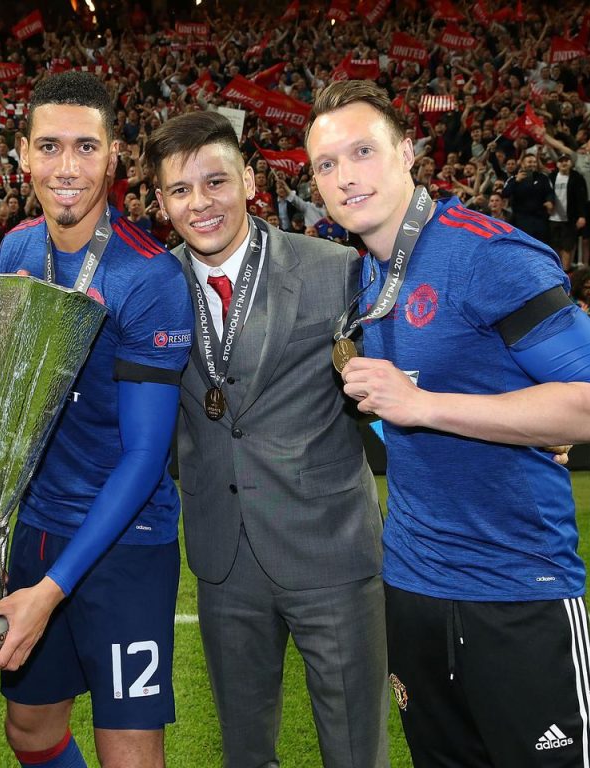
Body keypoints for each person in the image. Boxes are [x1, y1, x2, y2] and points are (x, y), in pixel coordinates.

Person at [306, 80, 590, 768]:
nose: (346, 177)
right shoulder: (366, 280)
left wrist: (426, 405)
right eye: (326, 165)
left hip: (518, 585)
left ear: (408, 152)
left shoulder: (487, 252)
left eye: (363, 152)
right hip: (412, 587)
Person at [145, 109, 387, 768]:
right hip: (224, 559)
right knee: (246, 752)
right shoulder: (151, 287)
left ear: (249, 180)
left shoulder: (338, 269)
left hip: (330, 549)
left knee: (355, 751)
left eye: (215, 182)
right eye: (180, 190)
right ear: (161, 202)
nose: (201, 203)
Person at [0, 71, 194, 768]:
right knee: (30, 733)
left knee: (129, 755)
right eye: (50, 146)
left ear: (114, 155)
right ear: (23, 155)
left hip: (126, 540)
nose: (67, 167)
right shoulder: (14, 250)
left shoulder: (149, 277)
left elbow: (145, 454)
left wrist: (51, 592)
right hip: (34, 528)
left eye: (86, 147)